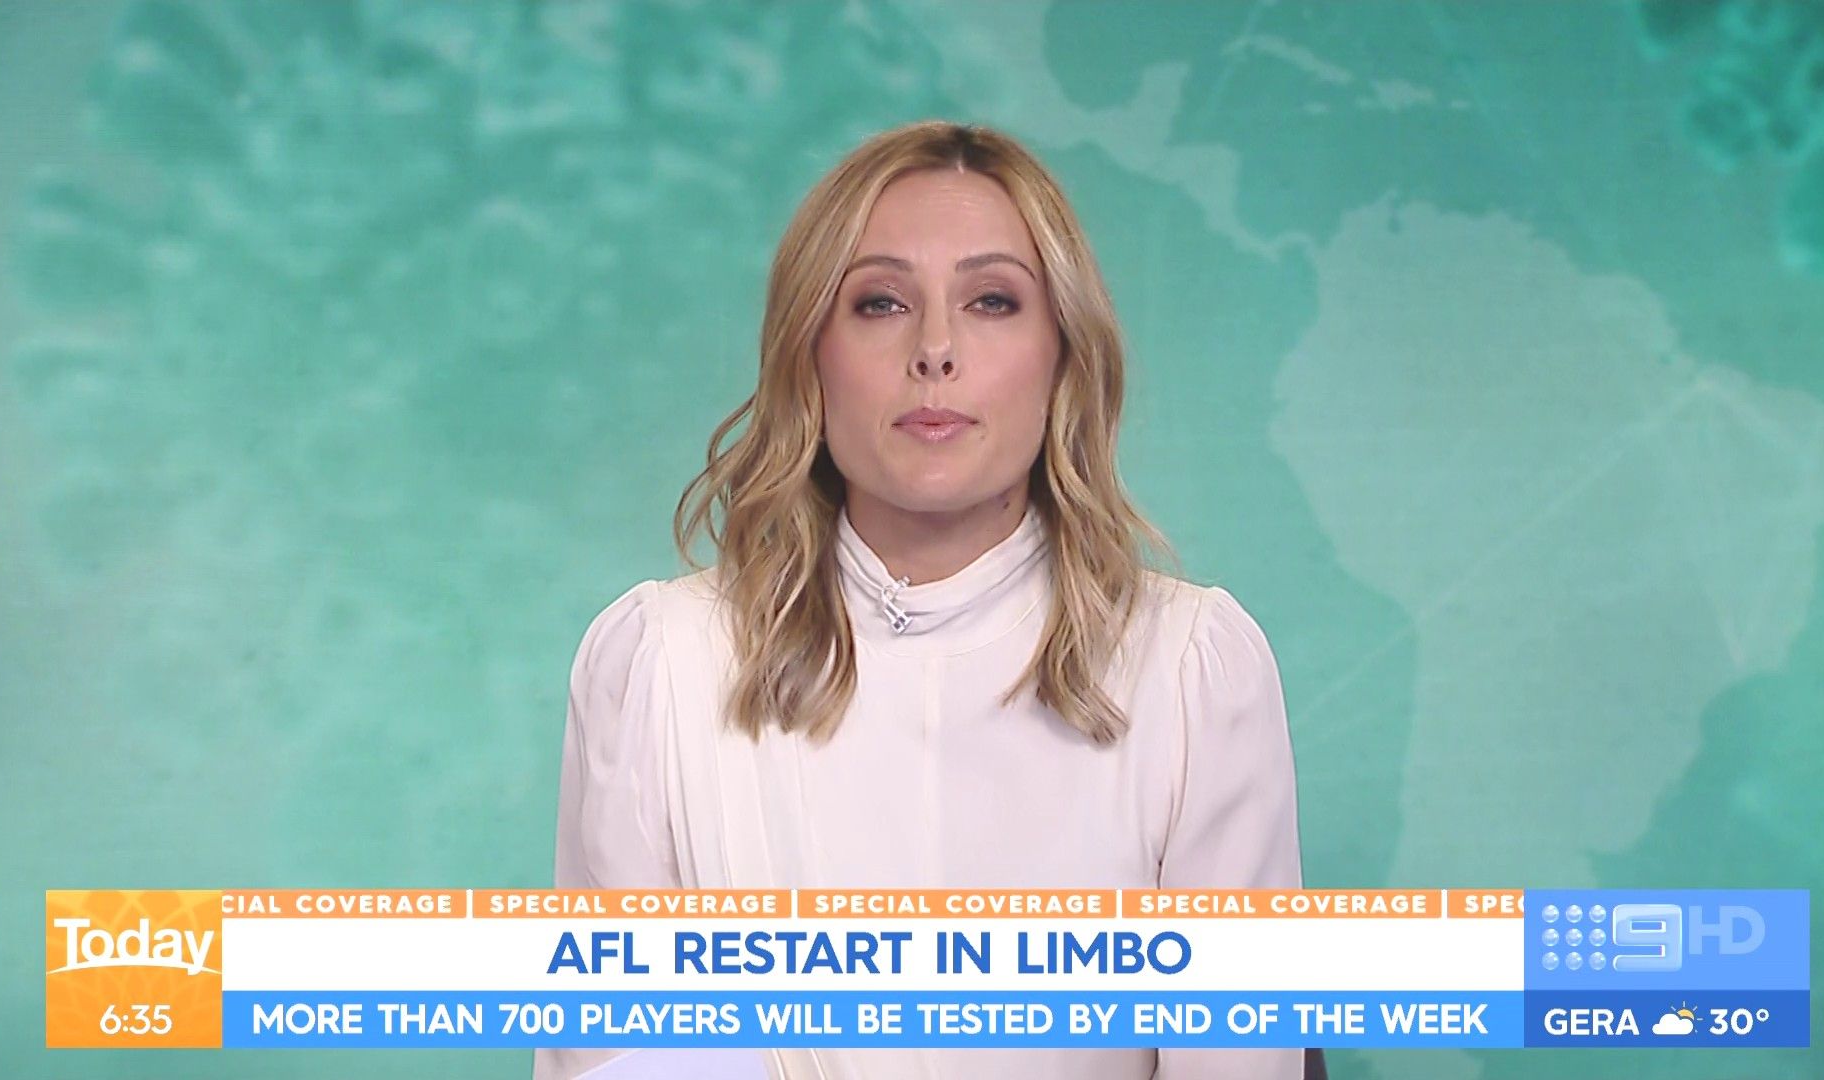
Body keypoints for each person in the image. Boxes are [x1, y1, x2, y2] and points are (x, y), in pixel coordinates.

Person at [536, 120, 1304, 1080]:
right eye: (881, 303)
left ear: (1062, 355)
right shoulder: (661, 664)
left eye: (991, 301)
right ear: (810, 356)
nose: (935, 349)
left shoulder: (1192, 670)